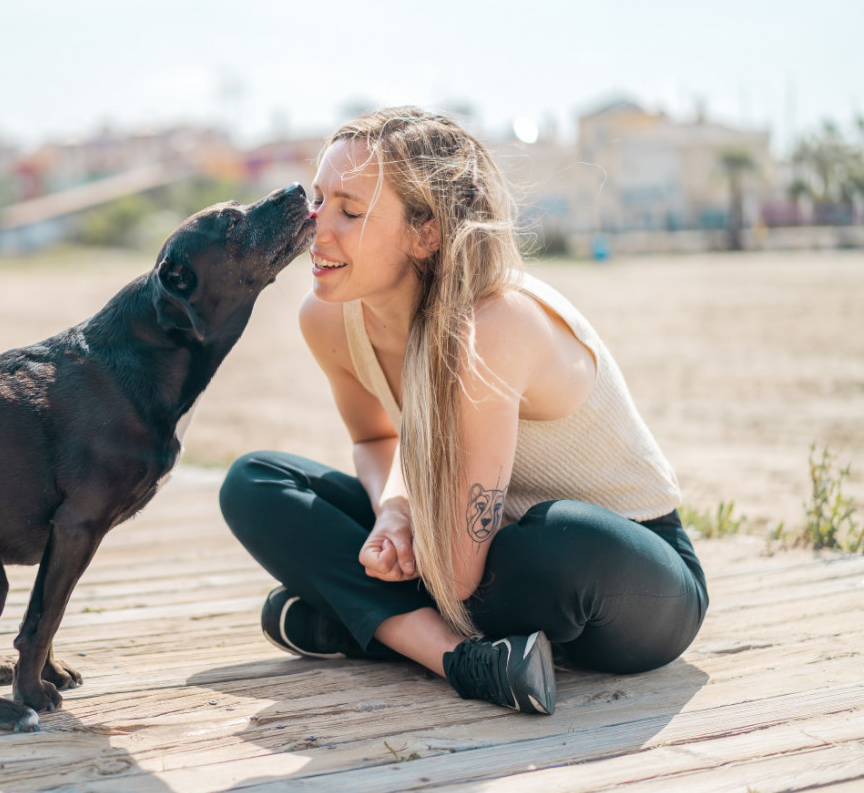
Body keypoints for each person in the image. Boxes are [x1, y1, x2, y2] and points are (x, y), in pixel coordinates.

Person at [218, 106, 708, 714]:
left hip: (623, 576)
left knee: (553, 543)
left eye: (350, 210)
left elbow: (455, 578)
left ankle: (360, 627)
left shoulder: (493, 324)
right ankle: (462, 659)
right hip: (460, 538)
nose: (316, 228)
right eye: (318, 200)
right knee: (256, 482)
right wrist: (393, 513)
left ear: (426, 232)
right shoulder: (328, 319)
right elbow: (376, 442)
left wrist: (391, 548)